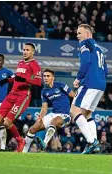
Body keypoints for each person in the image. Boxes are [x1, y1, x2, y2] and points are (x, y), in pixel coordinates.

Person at [0, 43, 42, 152]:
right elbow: (17, 78)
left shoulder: (34, 65)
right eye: (23, 49)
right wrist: (7, 80)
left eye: (27, 50)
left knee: (6, 122)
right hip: (11, 94)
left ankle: (20, 140)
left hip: (23, 96)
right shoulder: (20, 63)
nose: (25, 52)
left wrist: (24, 80)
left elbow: (38, 81)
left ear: (33, 52)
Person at [70, 24, 108, 154]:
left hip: (89, 83)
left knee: (74, 111)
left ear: (87, 34)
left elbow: (85, 62)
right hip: (101, 84)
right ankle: (95, 145)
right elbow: (106, 69)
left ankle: (92, 142)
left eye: (80, 33)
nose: (78, 36)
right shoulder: (99, 49)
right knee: (87, 114)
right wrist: (100, 79)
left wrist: (78, 78)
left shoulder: (85, 44)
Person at [22, 69, 75, 152]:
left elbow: (74, 95)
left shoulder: (61, 85)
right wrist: (40, 117)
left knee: (54, 121)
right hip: (53, 114)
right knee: (32, 129)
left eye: (48, 76)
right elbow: (44, 108)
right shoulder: (44, 91)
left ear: (53, 78)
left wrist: (74, 110)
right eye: (44, 76)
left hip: (65, 115)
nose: (45, 78)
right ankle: (23, 152)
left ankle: (44, 143)